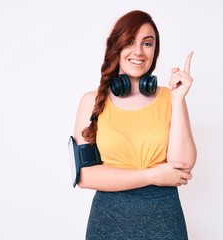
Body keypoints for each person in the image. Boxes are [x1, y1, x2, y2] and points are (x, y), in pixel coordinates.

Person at [72, 10, 196, 240]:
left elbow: (182, 167)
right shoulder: (90, 101)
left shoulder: (171, 98)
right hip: (107, 225)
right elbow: (86, 177)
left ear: (154, 51)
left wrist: (178, 100)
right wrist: (152, 176)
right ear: (116, 47)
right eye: (129, 41)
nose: (138, 51)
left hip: (165, 224)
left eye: (147, 43)